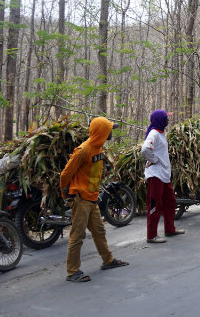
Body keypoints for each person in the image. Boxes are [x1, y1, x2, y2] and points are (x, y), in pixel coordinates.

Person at [60, 117, 129, 282]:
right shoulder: (83, 150)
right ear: (101, 132)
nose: (111, 133)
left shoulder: (98, 148)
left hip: (92, 198)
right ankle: (73, 271)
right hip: (81, 199)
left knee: (99, 231)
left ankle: (108, 260)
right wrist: (66, 195)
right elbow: (65, 174)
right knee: (78, 235)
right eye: (109, 130)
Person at [142, 109, 184, 243]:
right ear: (160, 120)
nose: (168, 120)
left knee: (170, 201)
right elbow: (145, 150)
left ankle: (170, 229)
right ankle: (151, 235)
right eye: (166, 118)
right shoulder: (154, 133)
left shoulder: (161, 132)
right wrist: (154, 160)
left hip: (164, 174)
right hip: (155, 175)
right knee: (155, 205)